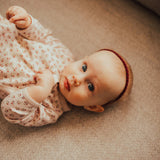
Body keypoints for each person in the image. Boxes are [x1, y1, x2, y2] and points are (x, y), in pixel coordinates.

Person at [0, 6, 133, 127]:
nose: (77, 79)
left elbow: (9, 111)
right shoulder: (65, 55)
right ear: (83, 59)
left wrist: (40, 90)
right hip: (5, 33)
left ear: (92, 106)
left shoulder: (52, 110)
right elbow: (43, 36)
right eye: (84, 68)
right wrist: (27, 23)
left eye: (90, 86)